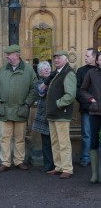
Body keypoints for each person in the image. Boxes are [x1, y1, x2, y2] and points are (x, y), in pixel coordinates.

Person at [0, 44, 38, 173]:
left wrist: (27, 104)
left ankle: (19, 161)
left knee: (20, 138)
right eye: (6, 54)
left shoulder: (29, 71)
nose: (6, 57)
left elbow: (34, 89)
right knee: (5, 138)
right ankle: (5, 162)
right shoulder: (2, 70)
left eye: (9, 55)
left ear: (17, 55)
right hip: (4, 110)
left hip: (20, 110)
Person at [45, 50, 76, 179]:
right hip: (53, 114)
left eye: (59, 58)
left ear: (66, 59)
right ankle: (58, 167)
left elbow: (70, 95)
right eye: (55, 58)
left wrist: (58, 104)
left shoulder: (68, 73)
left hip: (61, 114)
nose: (56, 60)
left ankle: (67, 169)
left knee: (63, 143)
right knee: (55, 142)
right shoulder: (57, 73)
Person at [80, 51, 101, 183]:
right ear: (97, 61)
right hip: (95, 112)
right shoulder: (91, 73)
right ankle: (94, 174)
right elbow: (82, 89)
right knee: (93, 142)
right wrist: (91, 99)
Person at [31, 60, 55, 172]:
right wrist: (47, 81)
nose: (47, 70)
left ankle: (57, 164)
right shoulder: (38, 83)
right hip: (43, 115)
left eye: (48, 68)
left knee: (56, 141)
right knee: (46, 142)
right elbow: (41, 92)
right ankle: (48, 165)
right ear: (40, 72)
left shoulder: (55, 80)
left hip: (55, 112)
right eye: (44, 69)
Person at [76, 48, 97, 167]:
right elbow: (77, 89)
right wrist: (85, 103)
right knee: (86, 134)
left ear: (94, 57)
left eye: (87, 56)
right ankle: (85, 158)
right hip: (86, 108)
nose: (85, 58)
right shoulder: (81, 71)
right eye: (85, 56)